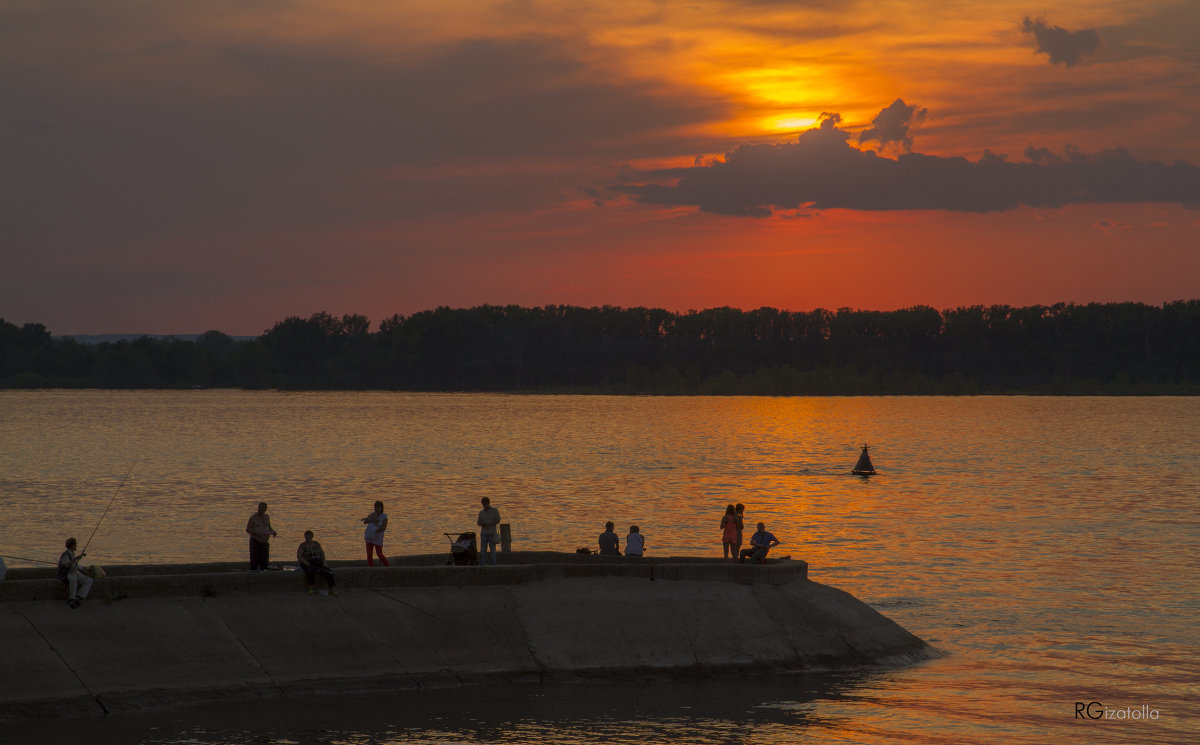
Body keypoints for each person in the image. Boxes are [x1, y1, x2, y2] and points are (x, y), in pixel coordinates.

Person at [296, 530, 337, 595]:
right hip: (307, 562)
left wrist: (324, 562)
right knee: (310, 571)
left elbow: (322, 553)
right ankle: (310, 588)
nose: (307, 538)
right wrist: (306, 563)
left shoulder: (317, 544)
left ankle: (332, 589)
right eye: (306, 537)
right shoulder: (302, 545)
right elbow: (299, 556)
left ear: (312, 537)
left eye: (309, 536)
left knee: (328, 572)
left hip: (317, 561)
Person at [57, 537, 92, 608]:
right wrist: (75, 558)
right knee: (73, 580)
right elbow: (67, 565)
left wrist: (84, 570)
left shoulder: (72, 553)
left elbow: (76, 565)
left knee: (89, 580)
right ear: (72, 545)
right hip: (67, 573)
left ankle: (78, 596)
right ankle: (72, 599)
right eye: (75, 544)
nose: (76, 546)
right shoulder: (66, 554)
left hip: (74, 572)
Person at [246, 502, 277, 570]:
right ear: (258, 508)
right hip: (255, 541)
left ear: (266, 509)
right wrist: (257, 534)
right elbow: (247, 529)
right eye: (260, 508)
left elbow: (269, 527)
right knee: (254, 561)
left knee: (265, 561)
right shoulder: (253, 518)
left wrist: (273, 532)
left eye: (263, 509)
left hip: (264, 543)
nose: (261, 510)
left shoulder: (267, 517)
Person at [362, 500, 389, 567]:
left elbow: (383, 528)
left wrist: (374, 531)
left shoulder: (384, 516)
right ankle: (371, 568)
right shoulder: (372, 514)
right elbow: (365, 521)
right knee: (369, 554)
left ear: (381, 508)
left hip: (378, 537)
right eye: (375, 507)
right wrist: (370, 519)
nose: (376, 509)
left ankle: (388, 566)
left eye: (378, 507)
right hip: (370, 536)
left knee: (379, 553)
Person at [477, 497, 501, 565]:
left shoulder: (494, 510)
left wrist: (490, 523)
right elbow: (478, 522)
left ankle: (493, 564)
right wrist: (482, 524)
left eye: (485, 503)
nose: (484, 505)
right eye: (483, 504)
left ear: (488, 503)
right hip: (484, 533)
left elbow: (498, 520)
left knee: (493, 550)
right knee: (483, 550)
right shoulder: (481, 512)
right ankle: (483, 564)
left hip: (492, 533)